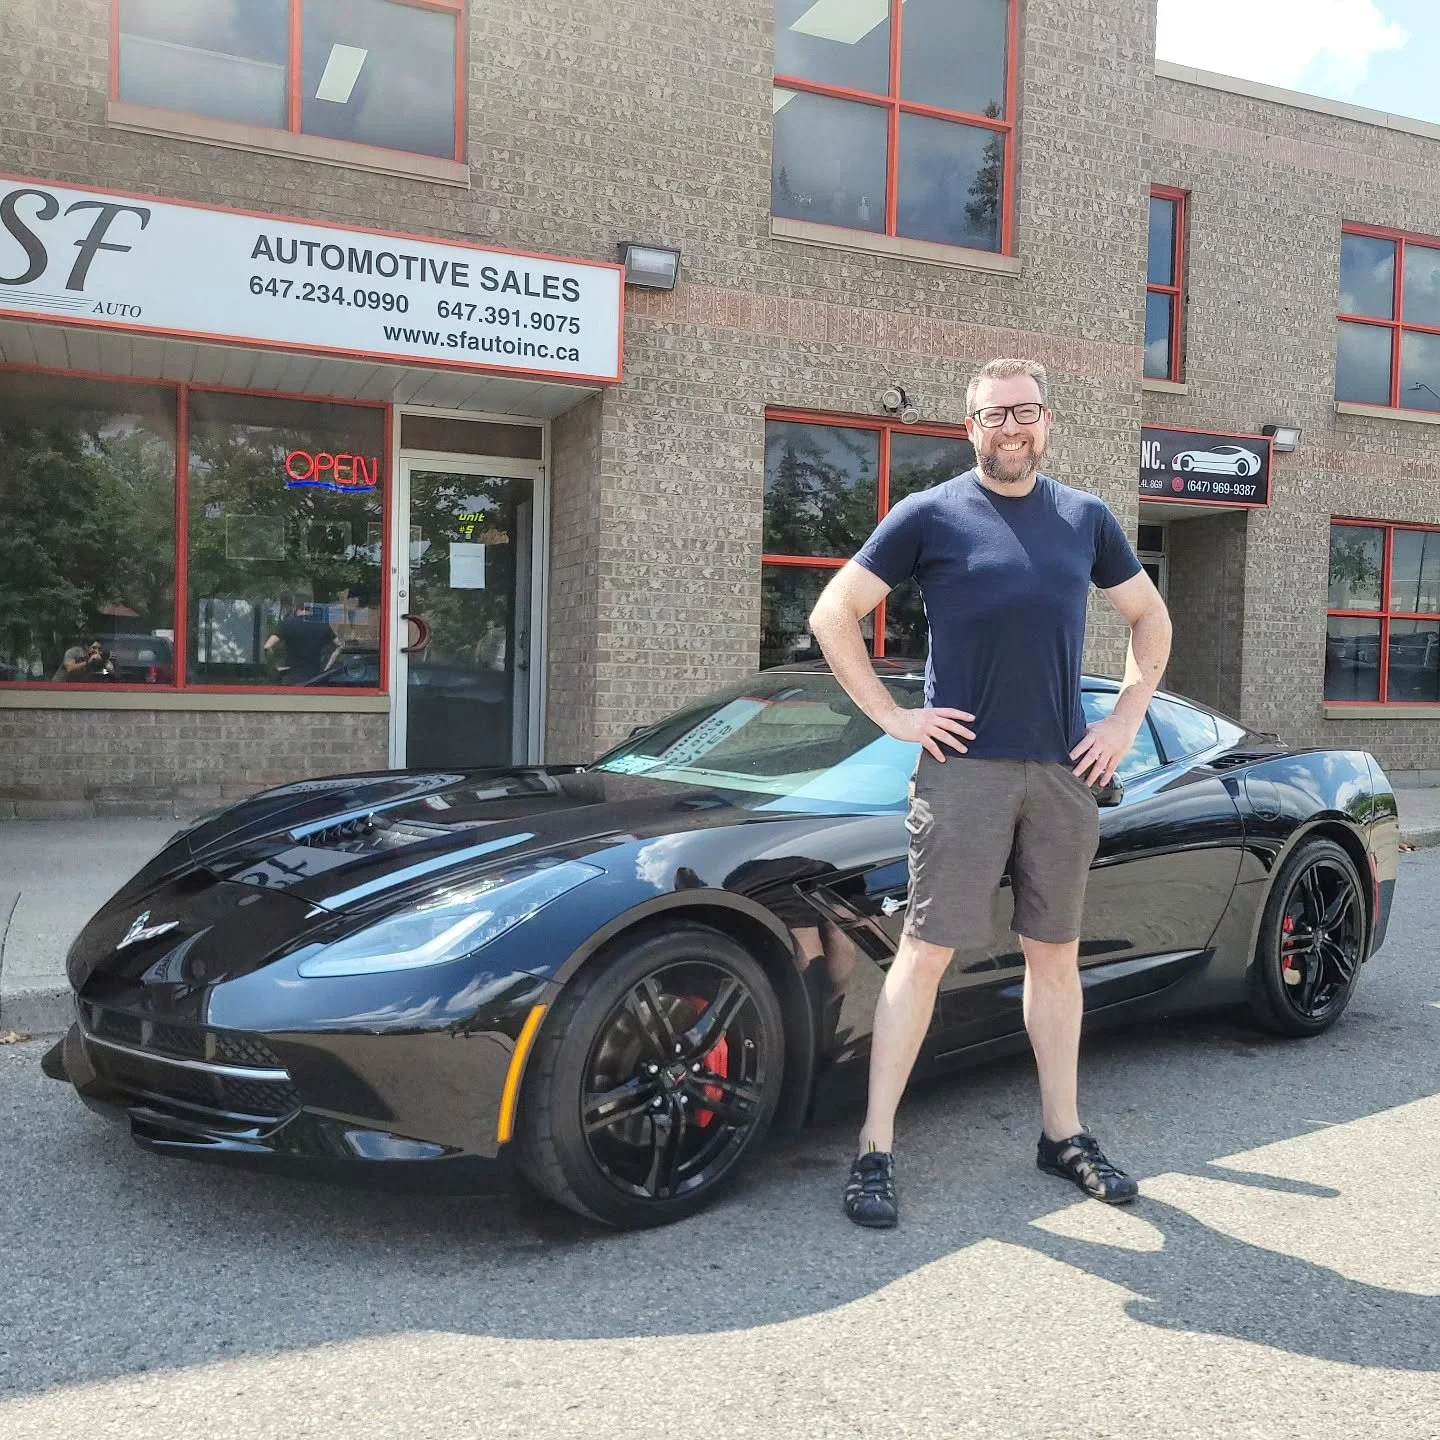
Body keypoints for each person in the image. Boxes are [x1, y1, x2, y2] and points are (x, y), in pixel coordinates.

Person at [809, 358, 1173, 1229]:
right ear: (969, 426)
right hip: (962, 772)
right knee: (925, 954)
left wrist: (1124, 718)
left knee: (1055, 955)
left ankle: (1063, 1135)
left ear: (1048, 420)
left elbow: (1149, 619)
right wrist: (894, 717)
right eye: (993, 415)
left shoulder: (1085, 519)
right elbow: (833, 612)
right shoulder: (930, 514)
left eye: (1026, 412)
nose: (1012, 428)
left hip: (1061, 771)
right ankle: (875, 1149)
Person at [264, 601, 338, 685]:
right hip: (316, 679)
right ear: (311, 611)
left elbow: (267, 647)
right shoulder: (323, 626)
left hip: (292, 678)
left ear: (296, 609)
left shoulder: (287, 625)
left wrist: (275, 667)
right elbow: (340, 646)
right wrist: (328, 667)